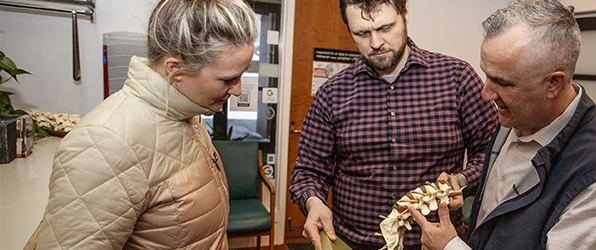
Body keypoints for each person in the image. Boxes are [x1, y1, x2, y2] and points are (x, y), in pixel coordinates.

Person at [408, 0, 596, 249]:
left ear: (553, 84)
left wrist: (449, 247)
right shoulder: (515, 116)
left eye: (503, 82)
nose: (486, 94)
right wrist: (464, 186)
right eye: (486, 75)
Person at [33, 0, 257, 249]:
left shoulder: (186, 111)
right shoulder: (104, 143)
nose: (237, 90)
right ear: (176, 69)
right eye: (228, 79)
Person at [289, 0, 498, 249]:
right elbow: (308, 171)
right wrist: (314, 202)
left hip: (434, 242)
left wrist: (462, 181)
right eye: (362, 33)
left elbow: (491, 151)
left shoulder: (457, 78)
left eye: (386, 28)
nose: (376, 43)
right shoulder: (332, 94)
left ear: (405, 14)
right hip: (354, 242)